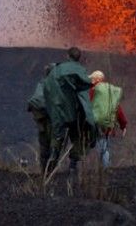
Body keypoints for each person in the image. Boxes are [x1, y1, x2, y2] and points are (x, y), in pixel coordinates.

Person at [42, 47, 97, 177]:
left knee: (57, 135)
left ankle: (52, 160)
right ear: (79, 58)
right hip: (70, 111)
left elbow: (47, 87)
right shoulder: (78, 69)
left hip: (55, 110)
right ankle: (73, 164)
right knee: (79, 134)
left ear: (67, 56)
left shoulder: (55, 70)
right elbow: (86, 84)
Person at [89, 70, 128, 168]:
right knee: (104, 148)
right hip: (107, 125)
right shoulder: (110, 92)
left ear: (97, 80)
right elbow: (117, 109)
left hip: (95, 124)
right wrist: (123, 125)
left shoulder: (92, 91)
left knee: (101, 149)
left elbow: (86, 107)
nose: (91, 81)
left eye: (92, 79)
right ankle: (105, 170)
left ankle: (103, 171)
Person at [27, 63, 55, 172]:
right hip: (50, 119)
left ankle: (44, 171)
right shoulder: (56, 86)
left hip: (40, 118)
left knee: (44, 145)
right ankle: (51, 170)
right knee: (53, 145)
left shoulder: (41, 84)